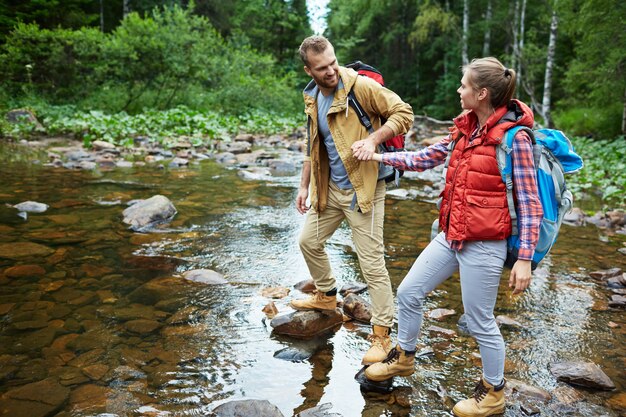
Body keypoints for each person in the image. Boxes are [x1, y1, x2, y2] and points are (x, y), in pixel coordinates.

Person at [354, 57, 542, 417]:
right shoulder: (464, 129)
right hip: (451, 235)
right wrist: (378, 156)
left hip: (486, 243)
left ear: (481, 93)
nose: (459, 90)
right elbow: (426, 158)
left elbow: (530, 202)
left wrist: (524, 259)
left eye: (464, 85)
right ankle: (404, 358)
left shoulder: (515, 139)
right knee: (409, 292)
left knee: (480, 321)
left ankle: (493, 393)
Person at [289, 35, 414, 366]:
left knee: (372, 264)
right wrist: (304, 188)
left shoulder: (360, 87)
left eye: (333, 62)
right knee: (308, 241)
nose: (331, 71)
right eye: (322, 68)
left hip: (365, 190)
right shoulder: (312, 96)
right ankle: (327, 296)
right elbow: (312, 145)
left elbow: (403, 113)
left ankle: (382, 335)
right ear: (309, 70)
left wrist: (373, 140)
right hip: (330, 190)